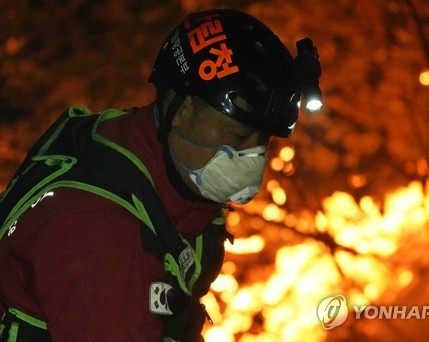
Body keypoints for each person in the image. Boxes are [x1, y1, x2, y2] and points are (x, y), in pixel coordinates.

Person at [0, 8, 321, 342]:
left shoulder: (139, 152)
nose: (251, 161)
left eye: (262, 144)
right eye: (238, 138)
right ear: (181, 112)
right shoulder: (101, 239)